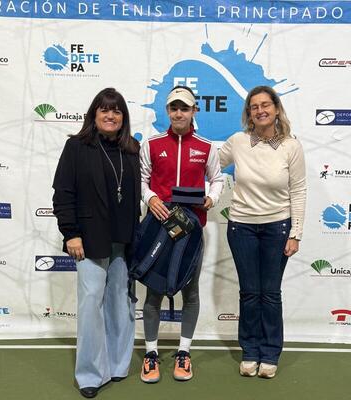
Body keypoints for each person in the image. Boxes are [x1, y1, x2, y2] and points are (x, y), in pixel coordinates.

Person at [52, 88, 141, 398]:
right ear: (94, 114)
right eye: (104, 110)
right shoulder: (77, 147)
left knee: (119, 303)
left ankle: (116, 365)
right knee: (91, 303)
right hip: (89, 239)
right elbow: (63, 193)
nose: (110, 115)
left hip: (124, 240)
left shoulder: (132, 149)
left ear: (123, 118)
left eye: (116, 111)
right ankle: (90, 374)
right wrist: (70, 233)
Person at [219, 86, 306, 379]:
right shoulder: (238, 141)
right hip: (241, 227)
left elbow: (299, 190)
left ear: (276, 109)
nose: (260, 110)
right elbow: (209, 166)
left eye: (265, 105)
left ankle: (269, 353)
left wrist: (296, 233)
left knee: (270, 294)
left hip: (278, 228)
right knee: (249, 293)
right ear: (249, 113)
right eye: (254, 106)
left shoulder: (291, 146)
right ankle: (250, 351)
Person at [140, 86, 224, 383]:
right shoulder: (151, 144)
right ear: (167, 111)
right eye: (174, 108)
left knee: (191, 291)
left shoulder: (206, 147)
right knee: (153, 291)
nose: (179, 113)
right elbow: (141, 179)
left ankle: (184, 352)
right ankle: (151, 354)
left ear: (194, 111)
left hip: (191, 231)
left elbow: (217, 178)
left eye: (184, 108)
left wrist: (212, 198)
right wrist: (150, 197)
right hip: (158, 229)